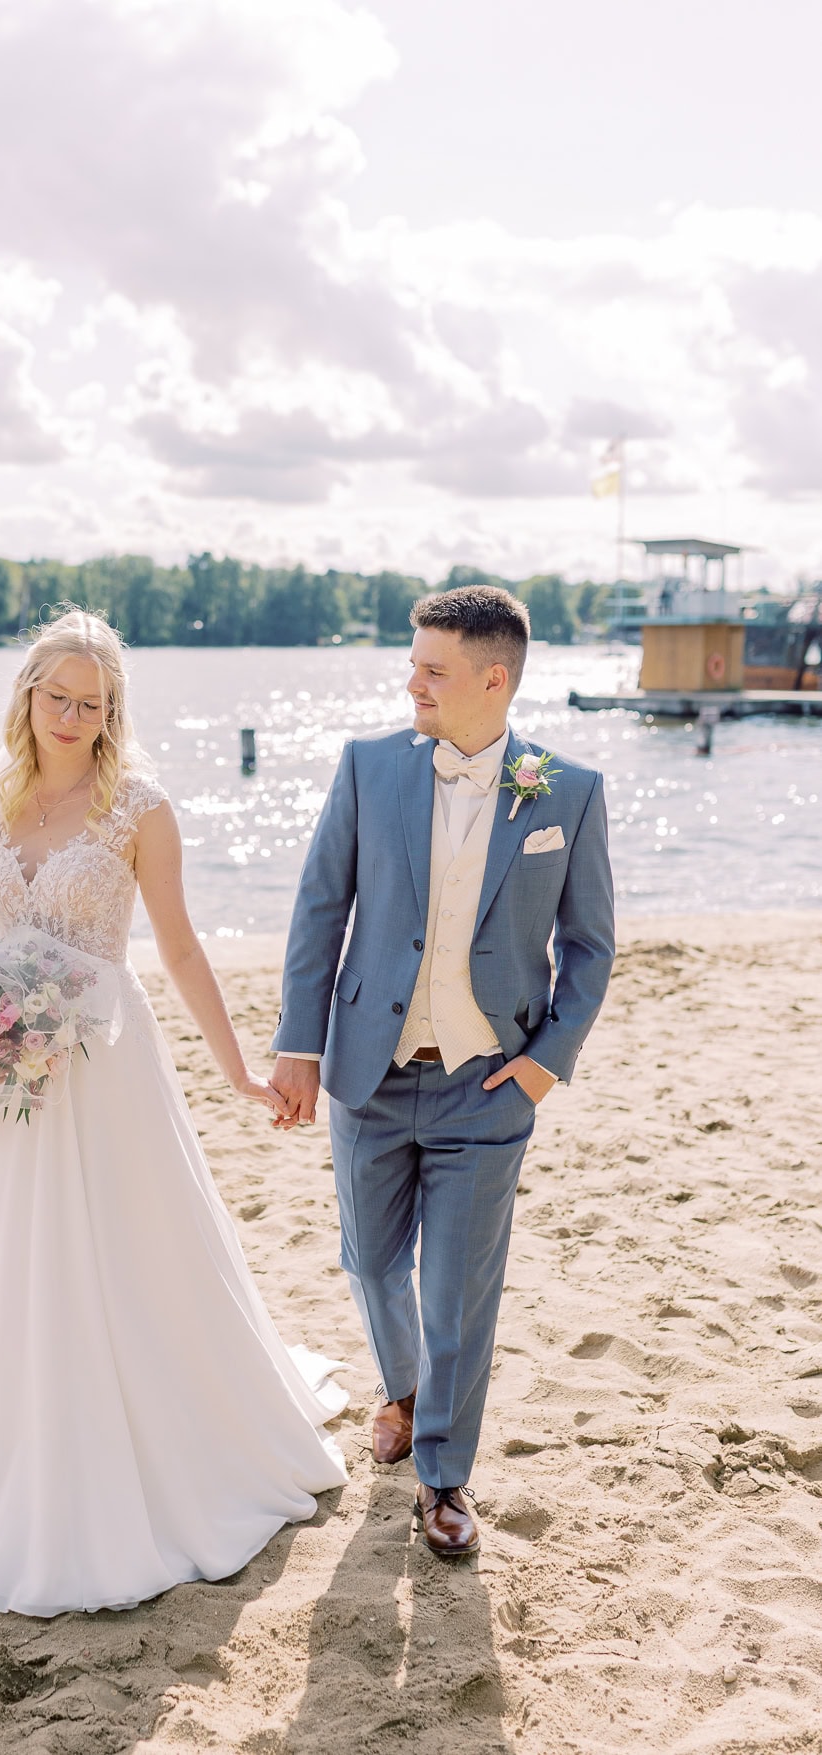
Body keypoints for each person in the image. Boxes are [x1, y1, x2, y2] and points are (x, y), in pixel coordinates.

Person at [0, 609, 347, 1617]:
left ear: (113, 712)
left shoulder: (139, 808)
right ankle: (19, 1424)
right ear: (28, 695)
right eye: (57, 697)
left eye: (91, 703)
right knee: (21, 1244)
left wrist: (238, 1071)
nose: (72, 717)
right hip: (18, 1062)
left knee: (124, 1242)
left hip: (106, 1059)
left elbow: (180, 948)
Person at [270, 585, 614, 1558]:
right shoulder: (369, 766)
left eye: (433, 669)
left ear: (493, 680)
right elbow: (319, 909)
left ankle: (444, 1475)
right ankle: (406, 1387)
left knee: (459, 1288)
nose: (412, 683)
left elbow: (590, 946)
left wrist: (546, 1064)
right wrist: (299, 1045)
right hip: (369, 1072)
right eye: (413, 664)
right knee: (372, 1262)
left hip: (489, 1083)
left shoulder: (567, 789)